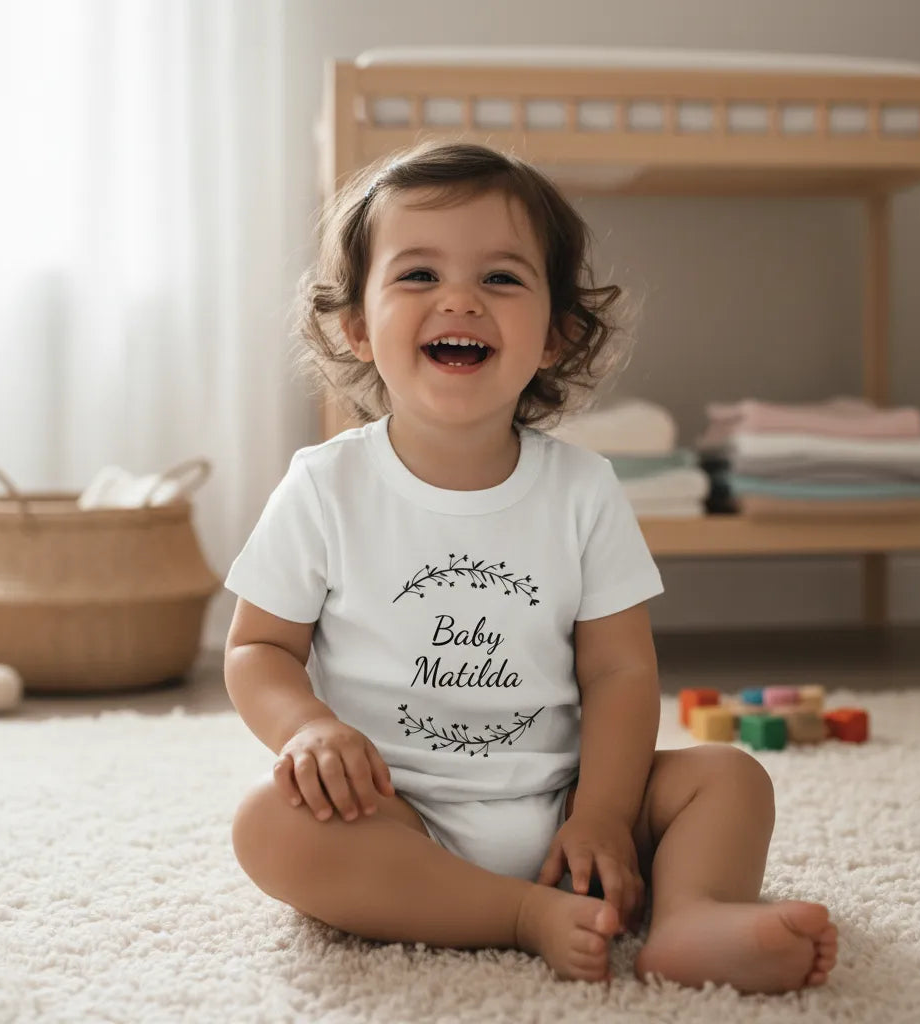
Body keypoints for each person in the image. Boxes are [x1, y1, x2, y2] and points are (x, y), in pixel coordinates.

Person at [223, 139, 837, 992]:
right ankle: (517, 914)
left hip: (564, 805)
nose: (461, 300)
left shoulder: (583, 489)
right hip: (394, 812)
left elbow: (622, 672)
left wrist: (605, 817)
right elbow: (258, 650)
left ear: (556, 334)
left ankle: (690, 916)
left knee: (731, 779)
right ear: (357, 325)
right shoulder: (325, 486)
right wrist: (308, 729)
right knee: (268, 826)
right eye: (419, 276)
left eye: (502, 279)